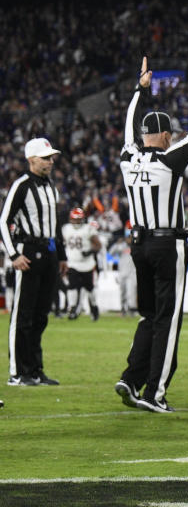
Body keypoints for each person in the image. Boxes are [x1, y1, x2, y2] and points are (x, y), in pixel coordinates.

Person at [114, 55, 188, 413]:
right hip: (167, 244)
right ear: (165, 136)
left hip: (139, 243)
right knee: (169, 319)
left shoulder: (127, 157)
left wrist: (140, 91)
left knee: (150, 315)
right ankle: (154, 392)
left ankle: (131, 378)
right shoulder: (169, 158)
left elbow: (129, 127)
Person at [1, 137, 68, 386]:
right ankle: (18, 372)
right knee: (22, 315)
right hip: (27, 251)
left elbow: (55, 224)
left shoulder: (50, 186)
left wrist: (61, 255)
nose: (50, 161)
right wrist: (13, 255)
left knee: (41, 316)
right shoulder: (21, 185)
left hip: (48, 253)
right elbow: (3, 221)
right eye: (45, 157)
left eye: (51, 157)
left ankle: (35, 369)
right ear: (31, 160)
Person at [62, 207, 102, 321]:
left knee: (90, 289)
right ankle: (72, 308)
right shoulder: (66, 229)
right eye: (74, 219)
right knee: (72, 286)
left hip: (87, 264)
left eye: (78, 219)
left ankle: (94, 307)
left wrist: (89, 251)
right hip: (72, 263)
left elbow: (98, 245)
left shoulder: (88, 229)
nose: (76, 222)